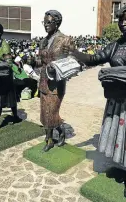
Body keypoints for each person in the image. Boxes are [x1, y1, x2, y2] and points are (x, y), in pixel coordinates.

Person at [66, 5, 126, 198]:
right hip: (116, 97)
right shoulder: (115, 45)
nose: (122, 23)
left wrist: (114, 74)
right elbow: (94, 58)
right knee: (119, 134)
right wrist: (74, 52)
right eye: (120, 19)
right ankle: (122, 166)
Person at [36, 10, 75, 152]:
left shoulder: (65, 40)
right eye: (44, 22)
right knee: (44, 112)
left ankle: (58, 131)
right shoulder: (43, 41)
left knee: (51, 112)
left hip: (57, 83)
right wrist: (34, 61)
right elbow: (40, 61)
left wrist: (57, 68)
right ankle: (50, 139)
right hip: (43, 81)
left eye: (48, 22)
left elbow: (73, 60)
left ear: (57, 23)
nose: (45, 25)